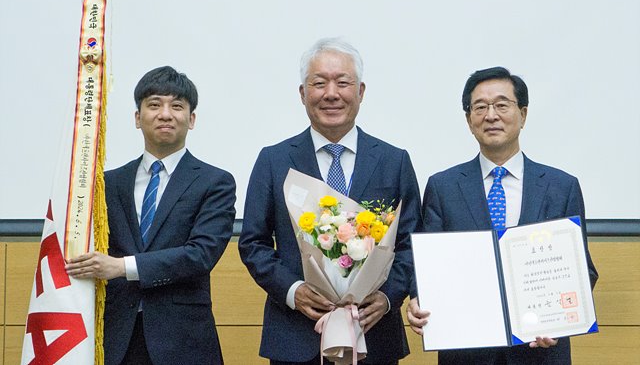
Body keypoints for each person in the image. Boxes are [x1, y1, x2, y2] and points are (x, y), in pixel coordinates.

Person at [238, 37, 422, 365]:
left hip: (374, 335)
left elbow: (411, 244)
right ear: (302, 93)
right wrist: (293, 292)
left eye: (343, 82)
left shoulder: (394, 161)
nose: (331, 93)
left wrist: (388, 297)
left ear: (361, 91)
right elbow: (253, 243)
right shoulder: (273, 161)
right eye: (319, 83)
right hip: (295, 336)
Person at [407, 66, 599, 364]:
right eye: (480, 107)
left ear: (522, 114)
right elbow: (427, 266)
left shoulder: (562, 187)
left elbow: (581, 270)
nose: (491, 115)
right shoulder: (442, 186)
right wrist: (418, 298)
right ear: (469, 120)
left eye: (501, 105)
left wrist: (561, 321)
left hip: (540, 353)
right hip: (466, 352)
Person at [66, 66, 236, 365]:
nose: (166, 114)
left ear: (191, 119)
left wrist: (122, 267)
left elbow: (200, 255)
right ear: (137, 117)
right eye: (154, 104)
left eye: (177, 106)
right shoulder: (107, 184)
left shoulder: (215, 182)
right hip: (116, 337)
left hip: (184, 340)